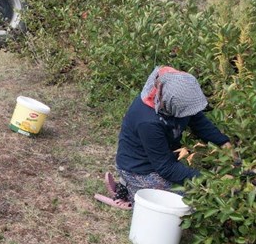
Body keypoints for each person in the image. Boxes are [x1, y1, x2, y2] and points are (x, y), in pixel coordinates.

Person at [96, 66, 234, 209]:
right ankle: (130, 190)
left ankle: (130, 188)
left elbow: (198, 121)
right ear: (168, 105)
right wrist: (213, 179)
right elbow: (166, 168)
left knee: (197, 193)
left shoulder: (178, 93)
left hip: (161, 159)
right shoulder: (148, 121)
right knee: (190, 201)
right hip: (140, 168)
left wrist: (224, 144)